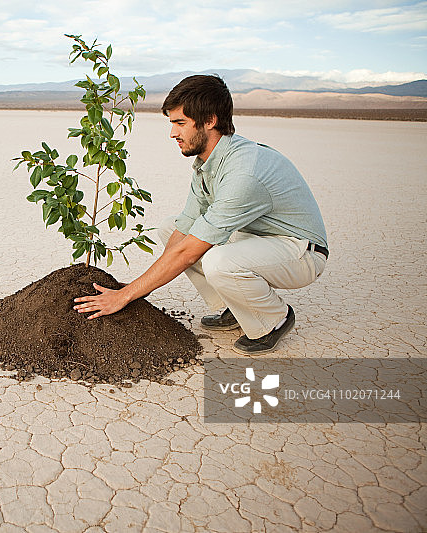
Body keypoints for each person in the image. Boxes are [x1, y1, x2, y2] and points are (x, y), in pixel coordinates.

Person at [73, 74, 328, 355]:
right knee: (171, 229)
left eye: (180, 123)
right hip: (258, 238)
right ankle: (234, 308)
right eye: (172, 123)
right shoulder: (207, 163)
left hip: (300, 251)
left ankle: (274, 320)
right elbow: (184, 231)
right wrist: (136, 288)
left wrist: (128, 295)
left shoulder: (243, 172)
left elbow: (189, 253)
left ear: (210, 120)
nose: (172, 133)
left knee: (219, 260)